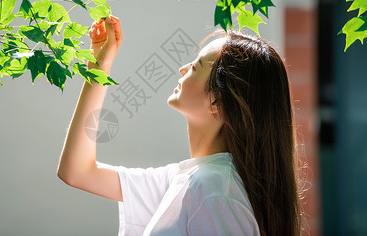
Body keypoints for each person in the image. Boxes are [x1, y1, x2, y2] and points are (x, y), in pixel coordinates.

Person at [57, 16, 302, 236]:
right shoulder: (189, 180)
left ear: (216, 101)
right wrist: (98, 68)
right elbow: (76, 171)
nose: (182, 69)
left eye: (195, 66)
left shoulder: (214, 190)